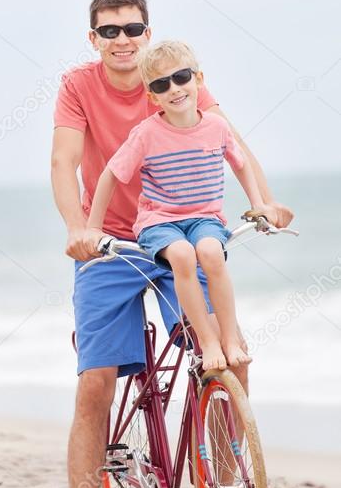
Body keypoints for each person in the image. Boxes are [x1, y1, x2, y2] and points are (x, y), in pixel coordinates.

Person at [51, 0, 294, 488]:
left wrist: (261, 205)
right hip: (110, 244)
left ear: (147, 30)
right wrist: (79, 231)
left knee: (227, 363)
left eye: (133, 28)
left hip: (180, 236)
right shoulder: (79, 85)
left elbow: (231, 145)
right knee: (95, 385)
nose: (124, 40)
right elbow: (65, 164)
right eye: (110, 31)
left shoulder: (173, 74)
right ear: (94, 39)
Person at [87, 38, 277, 372]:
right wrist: (92, 228)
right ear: (152, 96)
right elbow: (110, 175)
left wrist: (259, 203)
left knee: (211, 253)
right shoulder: (147, 133)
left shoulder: (216, 127)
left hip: (203, 218)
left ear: (198, 79)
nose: (174, 89)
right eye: (161, 85)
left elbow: (241, 163)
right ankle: (207, 340)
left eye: (181, 77)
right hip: (159, 222)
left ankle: (229, 338)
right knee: (182, 255)